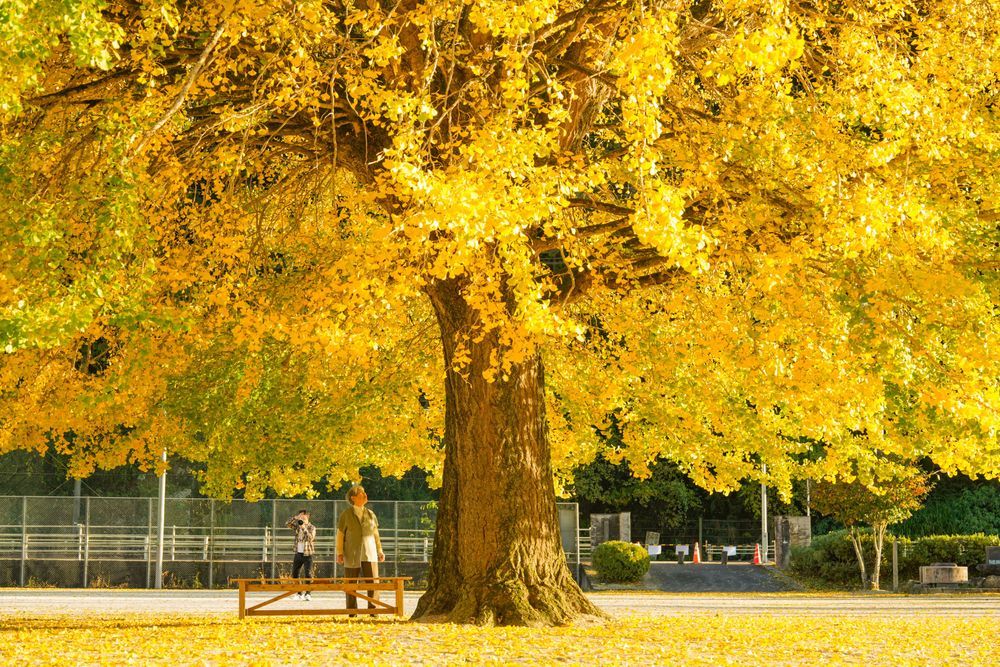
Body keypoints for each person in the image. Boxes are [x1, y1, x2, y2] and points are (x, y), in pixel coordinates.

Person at [336, 485, 384, 615]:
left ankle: (373, 610)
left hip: (370, 553)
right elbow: (340, 535)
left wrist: (380, 550)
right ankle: (352, 611)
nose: (365, 496)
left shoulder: (371, 514)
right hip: (351, 554)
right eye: (362, 494)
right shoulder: (346, 514)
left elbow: (375, 534)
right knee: (351, 583)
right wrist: (339, 553)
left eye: (365, 494)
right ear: (353, 498)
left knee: (373, 582)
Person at [285, 509, 316, 601]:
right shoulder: (297, 527)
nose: (301, 518)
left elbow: (310, 538)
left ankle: (308, 594)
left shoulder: (312, 527)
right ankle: (298, 593)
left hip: (308, 554)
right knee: (295, 573)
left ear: (307, 517)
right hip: (298, 553)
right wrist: (295, 518)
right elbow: (287, 524)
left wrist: (304, 527)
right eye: (300, 516)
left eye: (303, 516)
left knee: (308, 574)